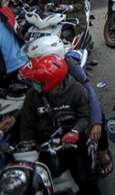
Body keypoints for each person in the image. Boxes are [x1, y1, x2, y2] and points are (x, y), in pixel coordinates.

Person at [18, 55, 100, 194]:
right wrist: (26, 152)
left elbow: (85, 116)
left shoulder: (76, 90)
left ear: (49, 81)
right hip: (45, 145)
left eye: (38, 81)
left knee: (85, 179)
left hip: (74, 142)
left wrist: (75, 132)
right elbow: (27, 126)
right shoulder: (32, 97)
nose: (34, 84)